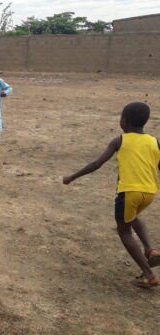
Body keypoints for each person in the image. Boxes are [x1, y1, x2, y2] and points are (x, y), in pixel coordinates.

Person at [63, 102, 160, 288]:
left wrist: (72, 177)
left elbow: (96, 164)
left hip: (128, 192)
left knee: (124, 230)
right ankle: (150, 249)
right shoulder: (155, 141)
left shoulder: (120, 141)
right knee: (133, 218)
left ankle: (149, 274)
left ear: (123, 121)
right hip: (149, 193)